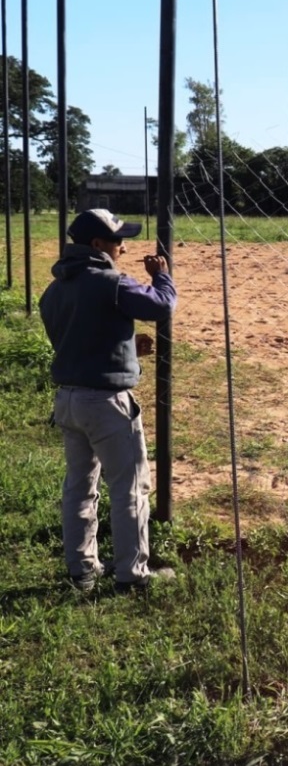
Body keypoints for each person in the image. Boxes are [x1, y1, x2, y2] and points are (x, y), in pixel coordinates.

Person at [38, 208, 178, 597]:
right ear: (98, 246)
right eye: (118, 241)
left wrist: (125, 350)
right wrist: (162, 276)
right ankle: (132, 575)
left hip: (68, 400)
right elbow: (160, 306)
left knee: (80, 488)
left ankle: (81, 570)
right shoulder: (112, 282)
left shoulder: (54, 289)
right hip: (107, 403)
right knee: (129, 487)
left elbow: (76, 341)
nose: (123, 247)